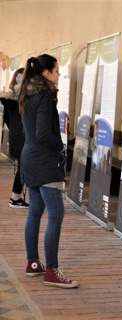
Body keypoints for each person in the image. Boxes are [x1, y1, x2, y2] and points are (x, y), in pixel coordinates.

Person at [18, 54, 79, 288]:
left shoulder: (27, 93)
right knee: (56, 214)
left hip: (30, 158)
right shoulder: (44, 96)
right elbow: (44, 134)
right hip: (44, 162)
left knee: (35, 211)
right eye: (56, 70)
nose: (59, 74)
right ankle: (52, 271)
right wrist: (61, 148)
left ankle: (33, 263)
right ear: (46, 74)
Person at [0, 68, 29, 208]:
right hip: (25, 136)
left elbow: (6, 118)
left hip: (15, 136)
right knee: (24, 167)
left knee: (23, 166)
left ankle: (15, 197)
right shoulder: (24, 99)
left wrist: (14, 130)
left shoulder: (9, 99)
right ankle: (15, 197)